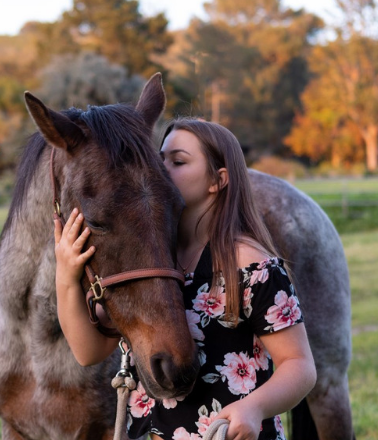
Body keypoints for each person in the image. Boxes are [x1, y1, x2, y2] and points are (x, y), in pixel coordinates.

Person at [54, 118, 316, 440]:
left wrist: (255, 408)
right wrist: (66, 277)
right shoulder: (153, 261)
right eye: (159, 158)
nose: (162, 168)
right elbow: (88, 351)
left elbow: (300, 366)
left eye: (177, 161)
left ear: (217, 181)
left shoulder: (251, 265)